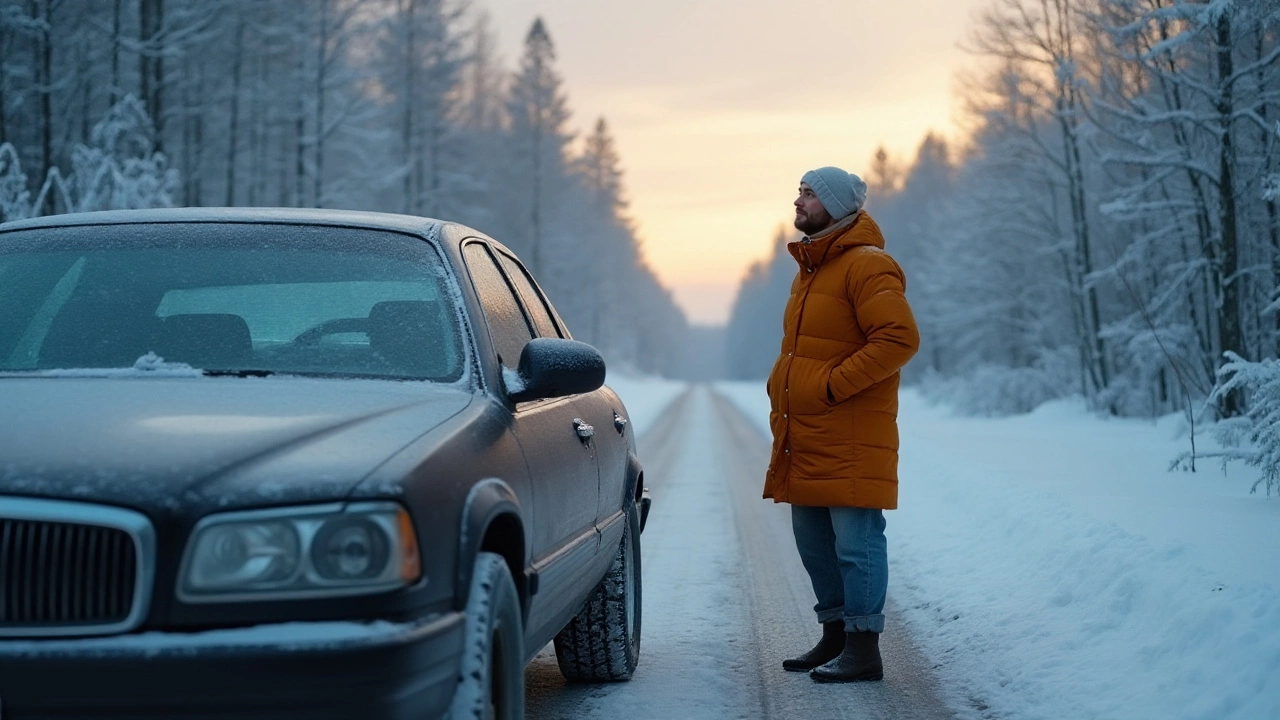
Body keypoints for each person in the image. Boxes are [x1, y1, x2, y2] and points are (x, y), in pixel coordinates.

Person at [764, 166, 919, 683]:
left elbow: (898, 340)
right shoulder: (811, 270)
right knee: (813, 540)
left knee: (856, 540)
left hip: (850, 432)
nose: (799, 200)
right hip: (807, 433)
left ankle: (864, 648)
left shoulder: (868, 266)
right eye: (800, 190)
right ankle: (834, 636)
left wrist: (830, 385)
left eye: (809, 193)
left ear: (837, 205)